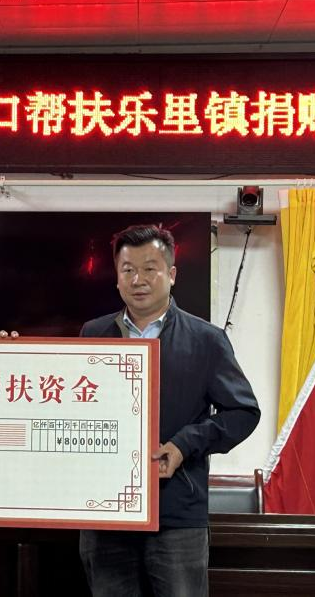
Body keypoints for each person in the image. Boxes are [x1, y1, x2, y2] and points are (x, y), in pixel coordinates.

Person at [79, 224, 260, 597]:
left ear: (172, 274)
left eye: (150, 268)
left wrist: (183, 444)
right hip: (106, 513)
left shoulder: (206, 340)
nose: (138, 280)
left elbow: (243, 411)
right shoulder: (93, 334)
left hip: (177, 513)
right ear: (117, 278)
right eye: (128, 270)